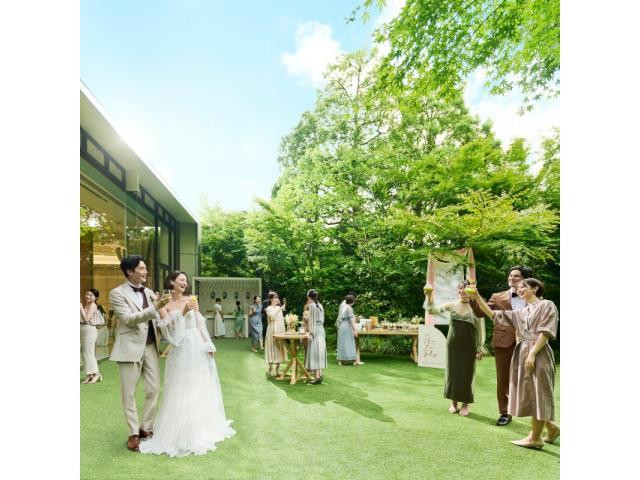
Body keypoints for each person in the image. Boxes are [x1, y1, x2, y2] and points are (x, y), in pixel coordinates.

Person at [139, 271, 235, 457]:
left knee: (197, 384)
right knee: (179, 386)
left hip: (196, 346)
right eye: (181, 280)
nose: (185, 283)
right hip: (179, 348)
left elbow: (199, 323)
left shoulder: (192, 300)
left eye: (186, 280)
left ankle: (199, 427)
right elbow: (166, 328)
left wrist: (208, 344)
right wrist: (181, 313)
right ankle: (177, 430)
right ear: (172, 282)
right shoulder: (164, 304)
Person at [471, 278, 560, 449]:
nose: (519, 289)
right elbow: (493, 315)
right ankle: (551, 428)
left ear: (535, 288)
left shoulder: (547, 305)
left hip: (538, 353)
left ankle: (535, 438)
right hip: (523, 352)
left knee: (540, 393)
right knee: (531, 393)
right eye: (518, 288)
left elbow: (546, 332)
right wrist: (477, 296)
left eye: (523, 286)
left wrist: (532, 354)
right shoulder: (523, 311)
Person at [109, 255, 171, 452]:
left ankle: (146, 428)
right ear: (130, 271)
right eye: (142, 269)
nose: (145, 272)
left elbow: (157, 318)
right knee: (129, 393)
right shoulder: (117, 293)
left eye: (145, 268)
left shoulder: (149, 292)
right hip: (129, 347)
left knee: (154, 389)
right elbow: (128, 319)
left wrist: (175, 320)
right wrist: (155, 308)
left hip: (151, 346)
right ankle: (133, 433)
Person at [425, 281, 485, 417]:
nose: (462, 291)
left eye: (465, 289)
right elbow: (431, 311)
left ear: (471, 291)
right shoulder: (452, 305)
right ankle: (453, 402)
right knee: (453, 373)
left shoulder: (476, 308)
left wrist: (480, 347)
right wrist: (429, 296)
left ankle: (465, 404)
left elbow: (480, 330)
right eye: (460, 289)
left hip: (469, 346)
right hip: (452, 345)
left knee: (467, 374)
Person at [485, 265, 532, 426]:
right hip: (504, 343)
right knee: (503, 379)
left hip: (528, 342)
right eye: (510, 275)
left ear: (525, 279)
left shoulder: (533, 297)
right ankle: (505, 412)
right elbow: (481, 312)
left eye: (516, 276)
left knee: (530, 379)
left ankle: (536, 415)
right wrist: (473, 298)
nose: (511, 278)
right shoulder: (497, 297)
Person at [80, 288, 105, 384]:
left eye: (91, 295)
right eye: (87, 294)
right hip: (83, 330)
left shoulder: (93, 306)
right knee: (85, 353)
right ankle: (89, 375)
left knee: (89, 353)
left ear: (96, 298)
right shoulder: (86, 305)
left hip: (89, 331)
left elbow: (86, 319)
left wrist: (80, 307)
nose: (88, 296)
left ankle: (97, 374)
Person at [305, 289, 327, 384]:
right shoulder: (320, 305)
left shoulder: (312, 306)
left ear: (308, 297)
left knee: (314, 352)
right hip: (321, 329)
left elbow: (312, 321)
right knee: (320, 351)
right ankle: (320, 375)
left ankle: (316, 377)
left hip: (315, 331)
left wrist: (310, 333)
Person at [264, 292, 287, 377]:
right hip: (271, 331)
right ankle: (270, 368)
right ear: (271, 299)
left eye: (277, 297)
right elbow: (272, 317)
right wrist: (280, 309)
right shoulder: (268, 308)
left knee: (278, 348)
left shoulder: (279, 308)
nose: (277, 299)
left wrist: (283, 331)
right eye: (275, 297)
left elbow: (281, 321)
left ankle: (278, 368)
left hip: (279, 330)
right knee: (271, 347)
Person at [336, 294, 361, 366]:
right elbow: (351, 320)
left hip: (342, 326)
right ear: (352, 301)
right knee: (349, 342)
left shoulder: (343, 307)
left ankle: (340, 360)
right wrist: (355, 330)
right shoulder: (349, 308)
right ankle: (354, 360)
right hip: (347, 326)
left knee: (342, 342)